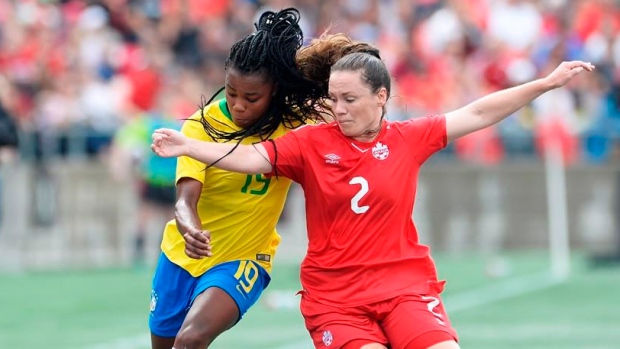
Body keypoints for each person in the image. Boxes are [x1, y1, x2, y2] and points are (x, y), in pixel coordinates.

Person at [152, 48, 594, 349]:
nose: (338, 109)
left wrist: (545, 83)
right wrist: (190, 147)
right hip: (336, 299)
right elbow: (248, 157)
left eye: (349, 99)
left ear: (381, 97)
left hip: (404, 287)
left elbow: (477, 112)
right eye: (333, 99)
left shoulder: (409, 137)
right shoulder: (309, 143)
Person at [147, 8, 379, 349]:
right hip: (182, 255)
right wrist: (189, 225)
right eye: (231, 92)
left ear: (274, 91)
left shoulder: (296, 123)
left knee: (191, 339)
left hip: (244, 258)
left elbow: (345, 110)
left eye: (251, 98)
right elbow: (185, 198)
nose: (239, 105)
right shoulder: (201, 126)